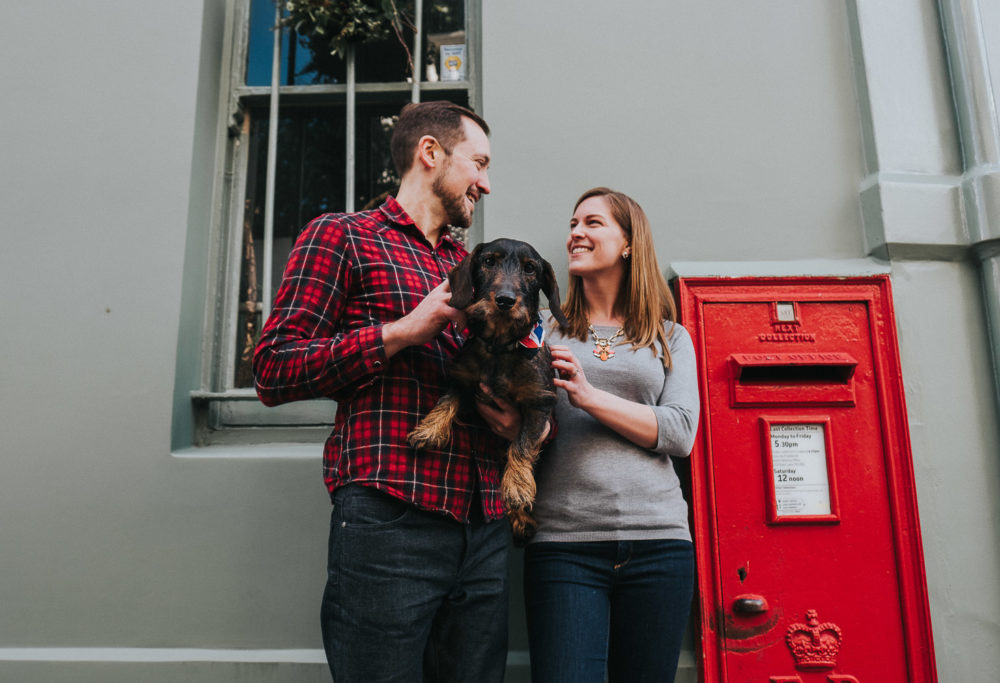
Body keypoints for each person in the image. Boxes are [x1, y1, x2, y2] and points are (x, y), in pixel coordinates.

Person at [253, 101, 518, 683]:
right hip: (390, 518)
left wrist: (518, 415)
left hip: (484, 523)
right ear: (430, 153)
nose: (487, 183)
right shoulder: (343, 236)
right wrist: (400, 332)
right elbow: (272, 369)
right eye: (478, 163)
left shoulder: (476, 265)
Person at [523, 187, 700, 683]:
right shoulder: (541, 331)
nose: (576, 233)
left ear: (628, 243)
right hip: (563, 546)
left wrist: (588, 395)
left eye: (593, 223)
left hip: (660, 544)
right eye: (573, 223)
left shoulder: (669, 336)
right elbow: (518, 422)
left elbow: (681, 432)